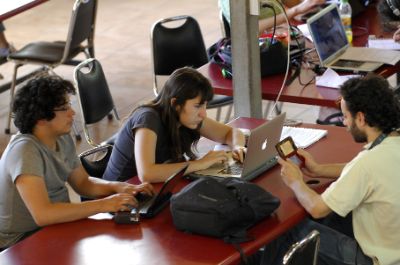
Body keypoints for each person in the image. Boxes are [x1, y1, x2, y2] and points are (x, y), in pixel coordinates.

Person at [257, 75, 400, 265]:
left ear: (360, 118)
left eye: (346, 116)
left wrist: (296, 182)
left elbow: (317, 208)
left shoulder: (368, 163)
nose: (343, 123)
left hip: (373, 260)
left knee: (287, 230)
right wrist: (318, 169)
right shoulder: (391, 143)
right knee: (333, 218)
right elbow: (363, 173)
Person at [0, 75, 154, 250]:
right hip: (19, 242)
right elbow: (43, 214)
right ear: (41, 118)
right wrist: (105, 204)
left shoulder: (61, 137)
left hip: (53, 227)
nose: (72, 113)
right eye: (64, 108)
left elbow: (83, 183)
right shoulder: (25, 151)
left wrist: (119, 187)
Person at [103, 67, 246, 183]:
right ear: (175, 104)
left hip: (155, 189)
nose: (203, 114)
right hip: (120, 198)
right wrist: (200, 164)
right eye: (197, 106)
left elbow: (231, 133)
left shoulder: (187, 117)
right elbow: (146, 173)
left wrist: (238, 147)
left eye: (204, 106)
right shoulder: (148, 119)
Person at [219, 0, 324, 35]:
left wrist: (300, 10)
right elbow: (253, 27)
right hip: (262, 49)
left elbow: (278, 6)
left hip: (284, 32)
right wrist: (295, 10)